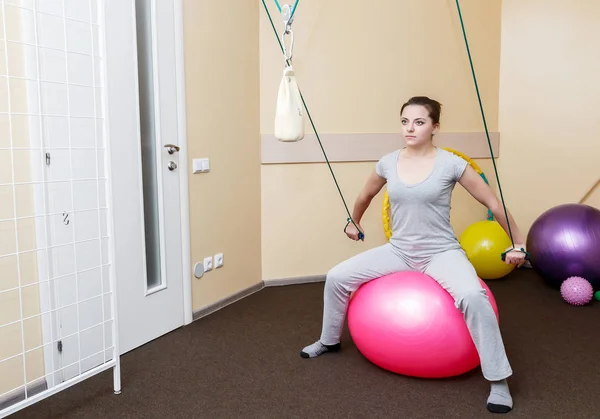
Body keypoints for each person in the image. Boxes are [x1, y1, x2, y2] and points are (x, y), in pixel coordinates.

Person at [300, 96, 527, 414]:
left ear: (435, 127)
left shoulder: (451, 163)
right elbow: (365, 195)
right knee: (337, 276)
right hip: (400, 250)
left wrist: (518, 242)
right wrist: (354, 221)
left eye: (419, 122)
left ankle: (499, 381)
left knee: (474, 296)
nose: (410, 128)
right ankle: (328, 340)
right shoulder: (388, 162)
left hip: (441, 251)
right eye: (405, 121)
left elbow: (493, 203)